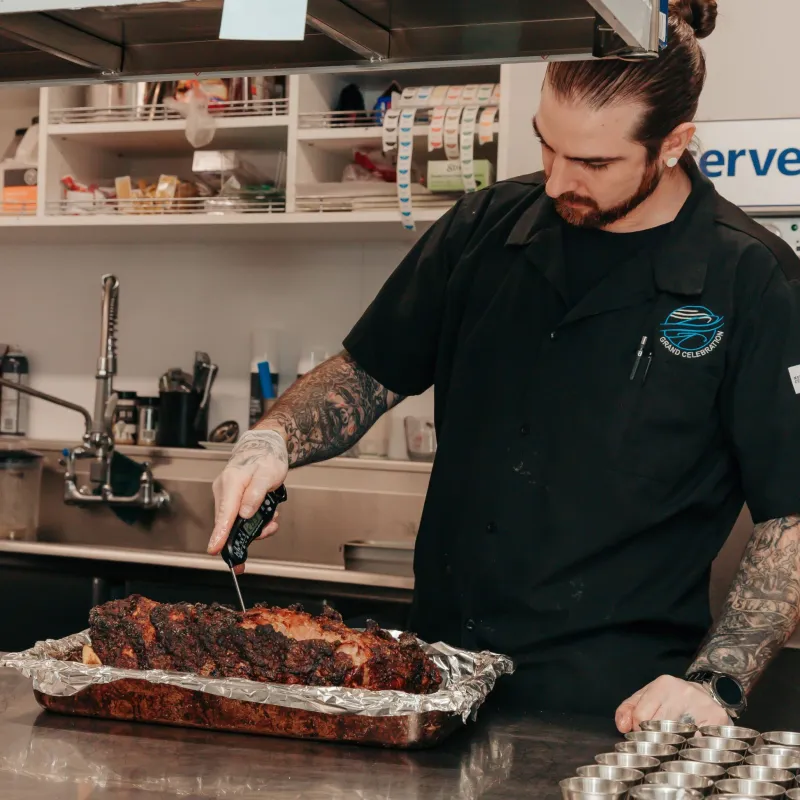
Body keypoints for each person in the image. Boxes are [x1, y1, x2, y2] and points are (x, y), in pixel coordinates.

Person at [208, 0, 800, 730]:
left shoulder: (750, 278)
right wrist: (273, 441)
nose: (556, 182)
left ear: (674, 143)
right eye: (546, 146)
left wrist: (717, 683)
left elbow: (789, 514)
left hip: (614, 705)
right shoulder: (484, 228)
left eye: (592, 162)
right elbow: (368, 372)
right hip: (439, 683)